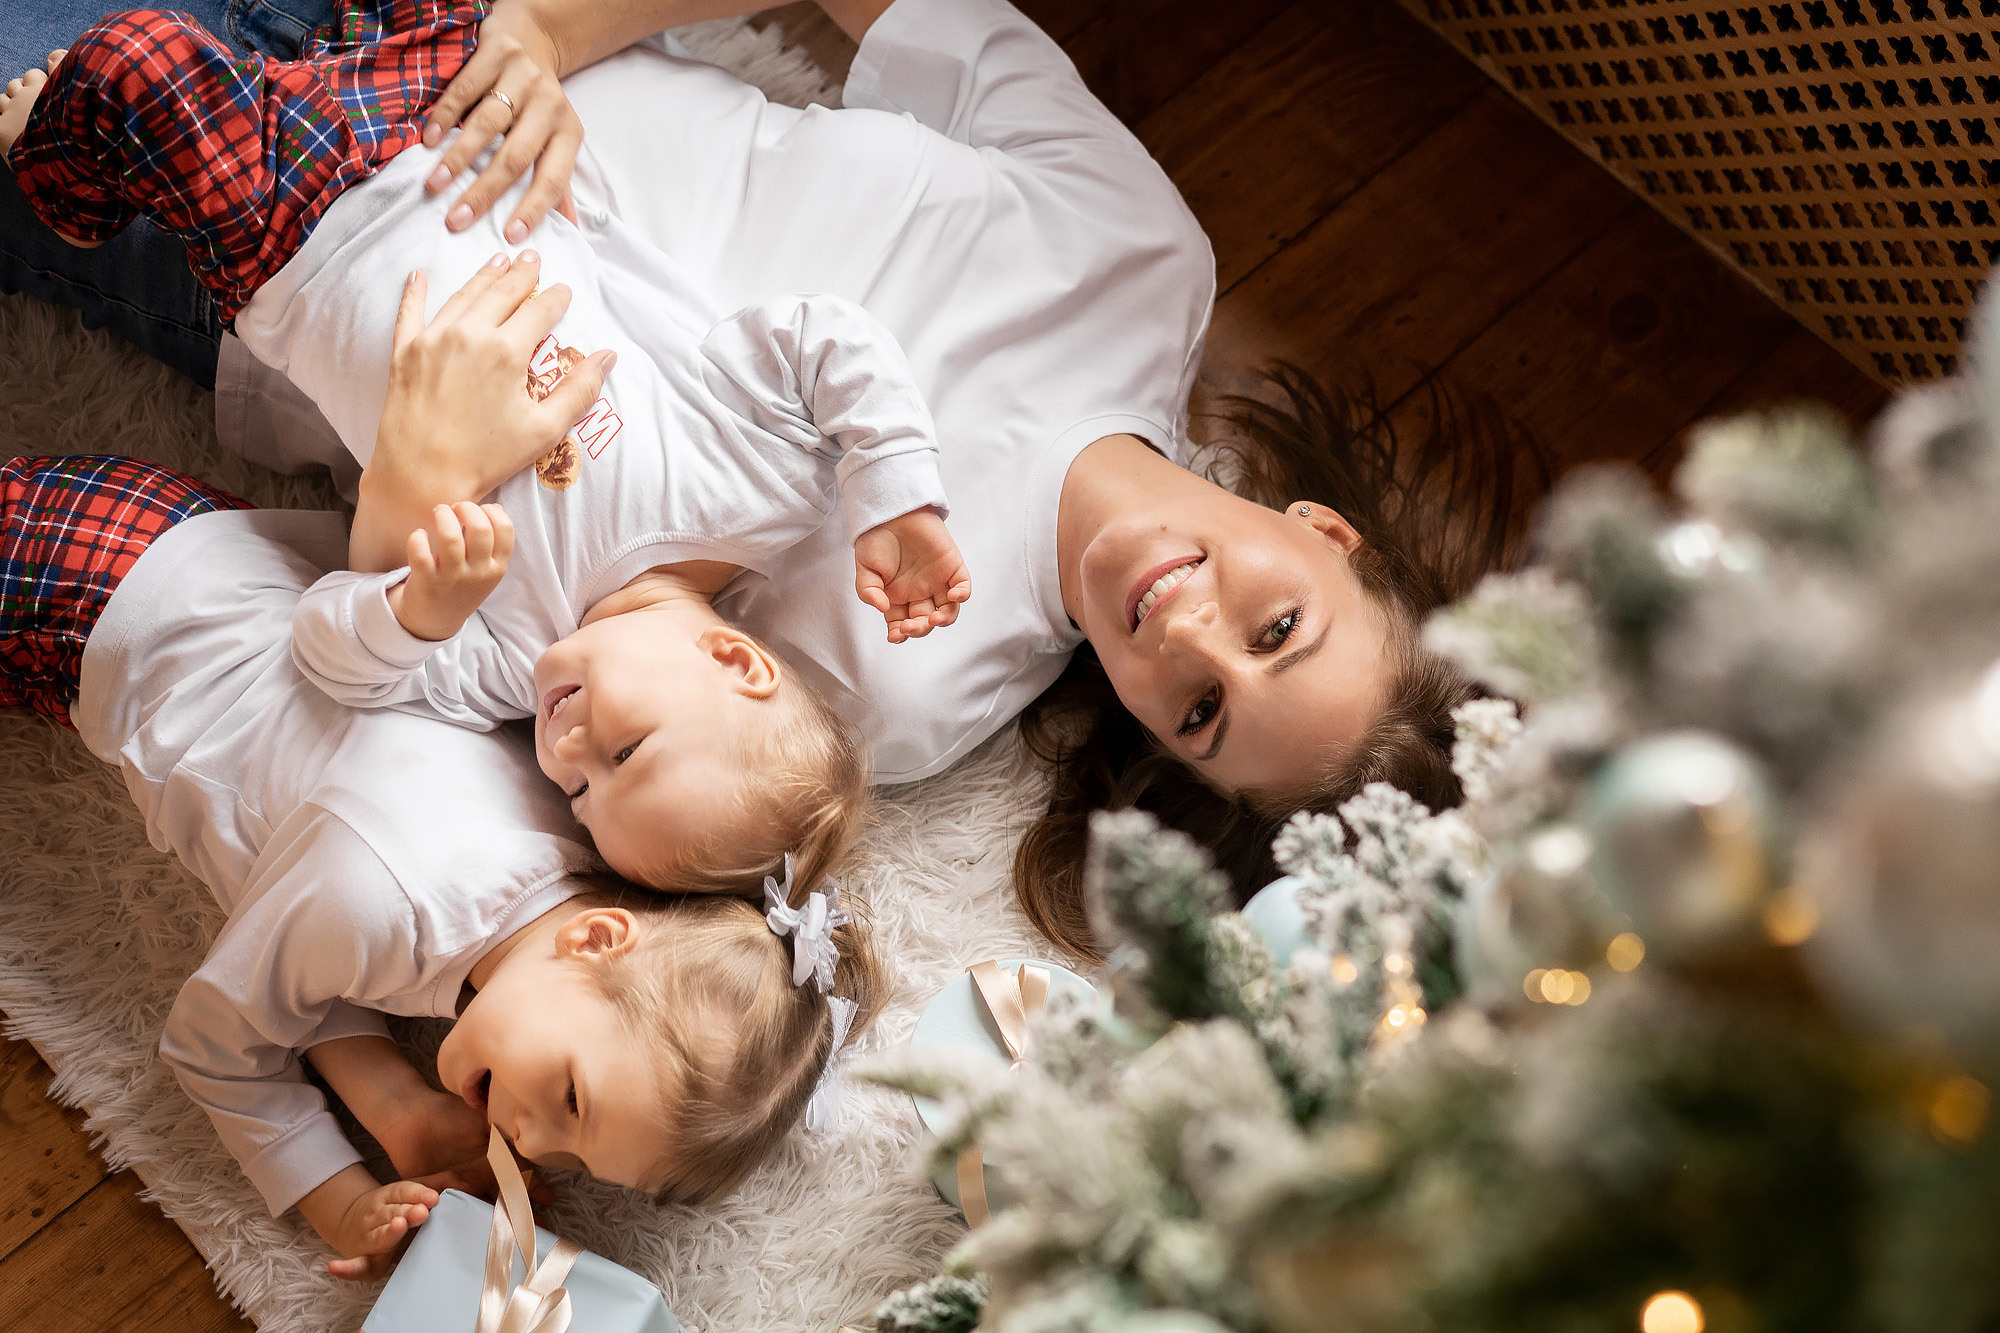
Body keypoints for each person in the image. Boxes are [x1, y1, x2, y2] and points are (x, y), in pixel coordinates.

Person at [4, 0, 1520, 957]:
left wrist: (413, 475)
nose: (1187, 640)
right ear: (1325, 532)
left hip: (284, 267)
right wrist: (544, 34)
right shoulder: (1138, 256)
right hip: (445, 32)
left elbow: (537, 639)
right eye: (1276, 631)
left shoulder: (909, 689)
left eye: (1196, 715)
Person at [1, 0, 973, 892]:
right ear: (735, 660)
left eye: (580, 795)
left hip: (295, 242)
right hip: (453, 124)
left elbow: (330, 656)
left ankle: (62, 169)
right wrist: (893, 491)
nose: (568, 754)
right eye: (624, 753)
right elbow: (821, 339)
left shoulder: (510, 655)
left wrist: (412, 611)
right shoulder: (765, 490)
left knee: (139, 66)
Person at [0, 450, 883, 1279]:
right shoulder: (385, 901)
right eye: (570, 1101)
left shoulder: (576, 848)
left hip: (208, 561)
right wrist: (338, 1200)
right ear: (600, 939)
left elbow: (307, 963)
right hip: (93, 600)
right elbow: (214, 1043)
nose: (532, 1141)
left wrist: (400, 1109)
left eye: (572, 1158)